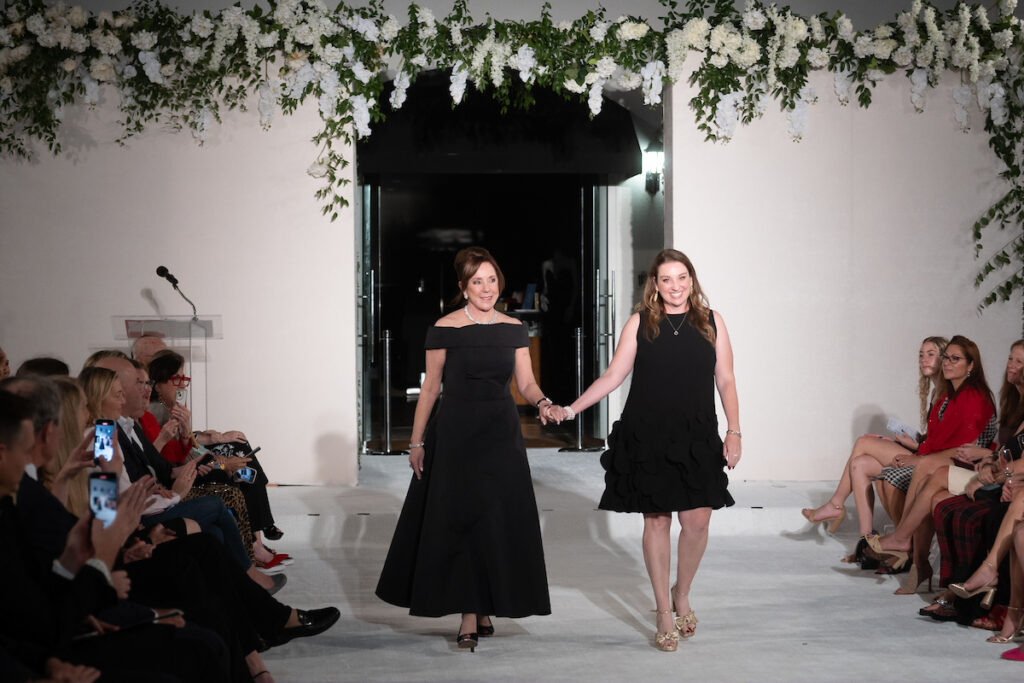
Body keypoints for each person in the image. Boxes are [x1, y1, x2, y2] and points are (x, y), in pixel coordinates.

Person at [559, 248, 741, 651]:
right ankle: (663, 610)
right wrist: (572, 408)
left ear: (691, 281)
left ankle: (683, 592)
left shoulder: (713, 322)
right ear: (655, 286)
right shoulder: (640, 323)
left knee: (696, 524)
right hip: (649, 435)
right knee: (656, 522)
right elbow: (613, 376)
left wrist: (734, 431)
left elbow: (725, 380)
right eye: (666, 279)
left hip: (696, 437)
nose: (675, 286)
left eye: (681, 278)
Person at [376, 246, 553, 652]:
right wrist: (416, 441)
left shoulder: (513, 328)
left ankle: (485, 604)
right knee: (462, 520)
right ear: (463, 287)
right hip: (455, 434)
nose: (487, 288)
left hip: (500, 436)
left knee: (495, 520)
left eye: (492, 280)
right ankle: (469, 613)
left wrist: (543, 403)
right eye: (478, 281)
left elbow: (525, 384)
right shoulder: (443, 328)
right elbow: (431, 388)